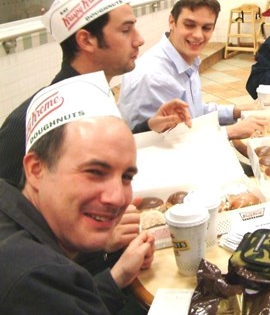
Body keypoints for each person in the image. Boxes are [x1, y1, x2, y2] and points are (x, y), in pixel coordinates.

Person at [0, 0, 191, 188]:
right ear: (86, 40)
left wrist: (147, 128)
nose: (139, 40)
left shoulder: (97, 96)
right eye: (126, 30)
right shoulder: (29, 122)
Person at [0, 72, 155, 313]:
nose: (116, 197)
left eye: (126, 177)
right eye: (94, 172)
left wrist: (117, 277)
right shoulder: (35, 279)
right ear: (35, 169)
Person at [118, 0, 268, 140]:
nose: (198, 35)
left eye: (206, 28)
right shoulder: (153, 77)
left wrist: (237, 111)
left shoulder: (186, 59)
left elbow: (196, 114)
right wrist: (231, 132)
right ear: (172, 22)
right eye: (189, 25)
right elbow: (161, 142)